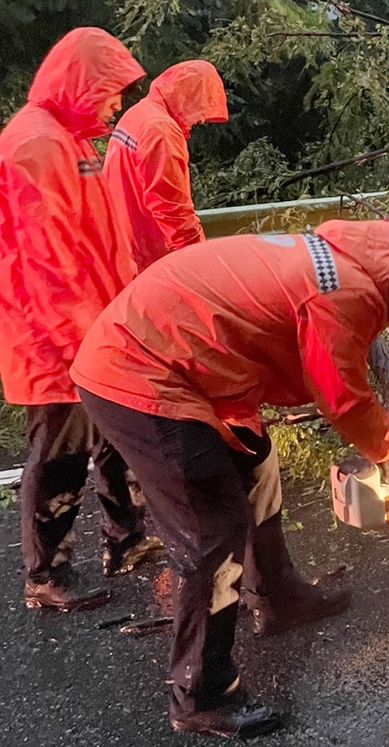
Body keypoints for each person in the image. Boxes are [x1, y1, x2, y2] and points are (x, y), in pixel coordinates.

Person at [71, 219, 389, 738]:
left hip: (194, 363)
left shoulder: (342, 258)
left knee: (255, 464)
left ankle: (277, 597)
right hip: (139, 369)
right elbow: (342, 396)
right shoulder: (344, 289)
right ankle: (202, 694)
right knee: (212, 529)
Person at [0, 27, 161, 611]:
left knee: (115, 438)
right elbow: (49, 263)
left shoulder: (71, 139)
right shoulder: (35, 145)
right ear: (79, 84)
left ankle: (125, 542)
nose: (117, 103)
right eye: (109, 90)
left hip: (96, 326)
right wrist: (81, 342)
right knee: (60, 455)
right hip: (55, 338)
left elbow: (99, 243)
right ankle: (45, 575)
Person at [104, 59, 229, 271]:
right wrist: (200, 263)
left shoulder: (138, 114)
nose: (200, 120)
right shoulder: (161, 130)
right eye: (202, 105)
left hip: (120, 249)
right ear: (189, 96)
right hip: (148, 259)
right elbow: (172, 209)